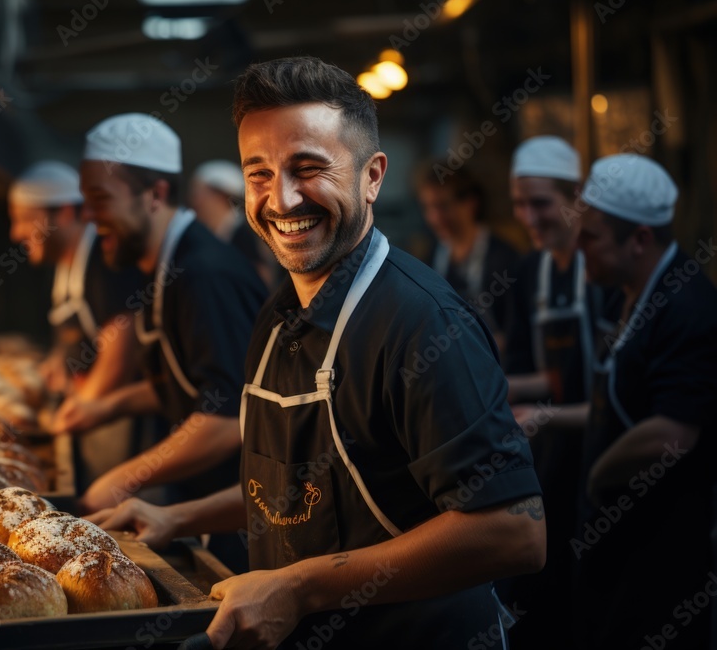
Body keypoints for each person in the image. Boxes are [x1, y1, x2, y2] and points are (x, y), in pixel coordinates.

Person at [89, 56, 546, 649]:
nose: (280, 199)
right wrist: (180, 516)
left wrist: (299, 588)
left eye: (308, 168)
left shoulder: (424, 324)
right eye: (258, 173)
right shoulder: (279, 315)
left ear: (373, 176)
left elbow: (515, 531)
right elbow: (308, 492)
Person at [52, 114, 267, 540]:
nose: (89, 217)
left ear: (156, 193)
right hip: (204, 496)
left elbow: (226, 420)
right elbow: (185, 380)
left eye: (100, 199)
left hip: (249, 512)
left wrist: (123, 478)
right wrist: (106, 408)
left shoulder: (204, 274)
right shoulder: (161, 266)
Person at [574, 154, 717, 649]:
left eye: (590, 237)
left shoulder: (686, 307)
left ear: (639, 240)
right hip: (618, 546)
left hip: (662, 552)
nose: (578, 248)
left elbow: (673, 434)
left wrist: (597, 475)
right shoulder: (626, 293)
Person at [498, 137, 619, 649]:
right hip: (551, 466)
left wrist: (542, 414)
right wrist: (495, 387)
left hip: (607, 458)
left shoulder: (610, 273)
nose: (528, 217)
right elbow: (543, 375)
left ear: (576, 197)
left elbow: (616, 388)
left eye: (541, 203)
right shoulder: (532, 272)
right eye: (519, 203)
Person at [7, 161, 145, 489]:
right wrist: (58, 365)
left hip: (124, 425)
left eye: (26, 219)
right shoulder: (66, 262)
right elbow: (77, 332)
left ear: (66, 213)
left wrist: (79, 409)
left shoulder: (101, 259)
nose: (16, 233)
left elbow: (120, 350)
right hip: (97, 419)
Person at [415, 161, 519, 351]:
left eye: (443, 206)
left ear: (471, 203)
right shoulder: (431, 259)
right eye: (428, 208)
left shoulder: (503, 258)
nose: (435, 218)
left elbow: (515, 334)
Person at [190, 159, 284, 291]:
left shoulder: (246, 233)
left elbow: (262, 278)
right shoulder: (219, 234)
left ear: (220, 196)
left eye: (198, 194)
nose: (194, 202)